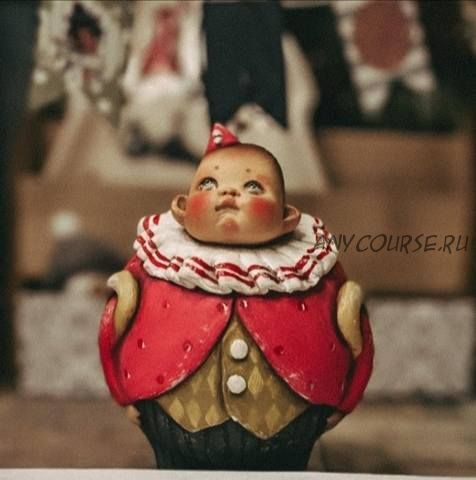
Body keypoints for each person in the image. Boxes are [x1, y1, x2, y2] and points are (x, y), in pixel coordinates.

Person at [99, 123, 373, 470]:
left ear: (288, 218)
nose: (227, 193)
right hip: (170, 429)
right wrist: (122, 392)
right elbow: (112, 329)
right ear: (182, 207)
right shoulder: (160, 261)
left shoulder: (311, 268)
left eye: (253, 187)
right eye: (208, 184)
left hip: (290, 439)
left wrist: (345, 400)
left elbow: (356, 334)